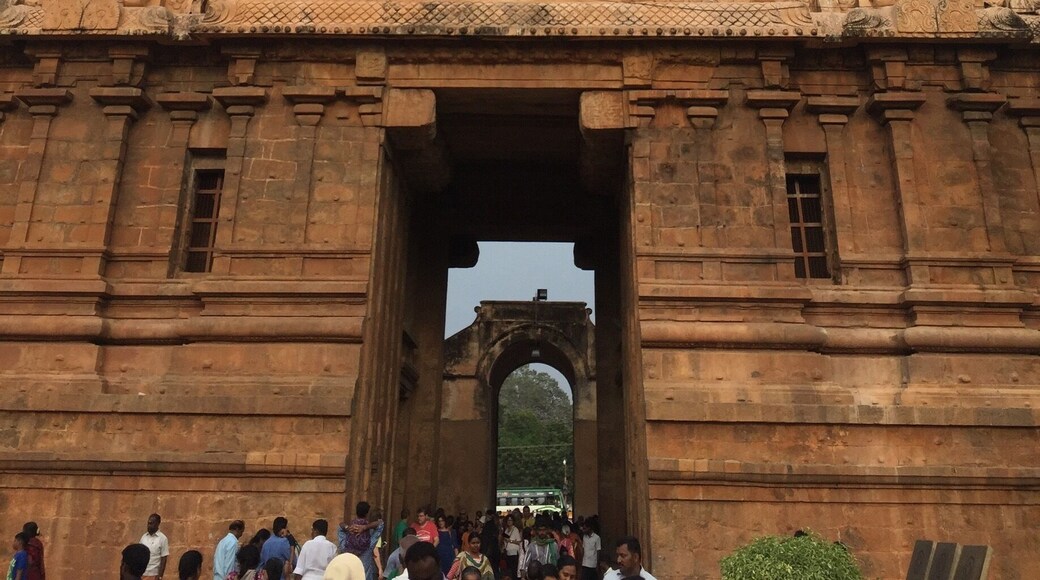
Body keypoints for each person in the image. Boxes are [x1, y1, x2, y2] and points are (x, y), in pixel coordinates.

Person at [140, 513, 170, 580]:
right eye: (148, 523)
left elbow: (164, 558)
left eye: (151, 523)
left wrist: (160, 576)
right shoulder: (143, 537)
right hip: (142, 573)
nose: (149, 525)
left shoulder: (162, 538)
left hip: (154, 575)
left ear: (157, 524)